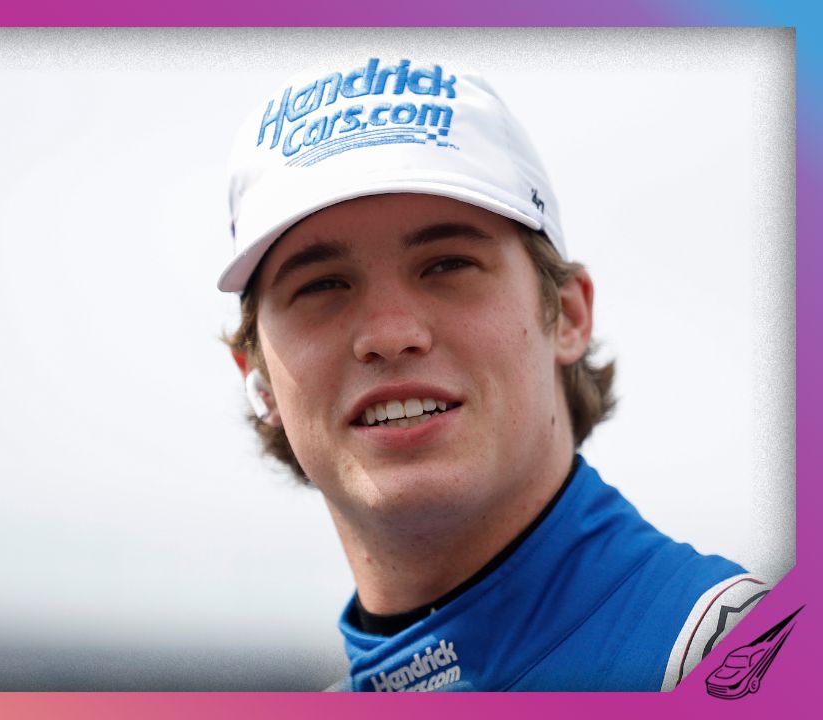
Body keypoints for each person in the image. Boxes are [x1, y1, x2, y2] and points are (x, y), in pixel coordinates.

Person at [218, 56, 768, 692]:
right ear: (257, 375)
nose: (390, 335)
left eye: (447, 265)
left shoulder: (741, 660)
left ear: (566, 314)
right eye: (322, 285)